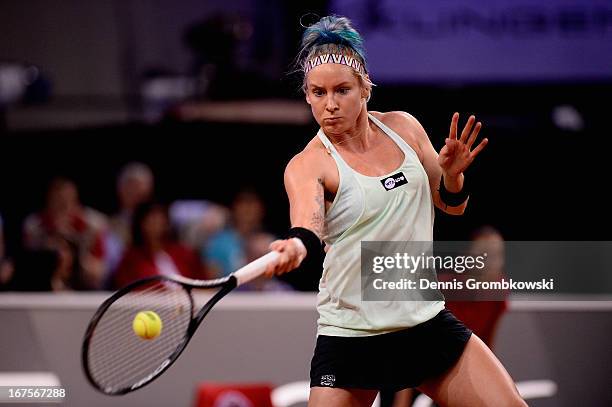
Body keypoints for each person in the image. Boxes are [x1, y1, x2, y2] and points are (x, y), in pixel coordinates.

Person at [264, 16, 526, 407]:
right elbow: (307, 226)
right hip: (352, 336)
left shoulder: (404, 128)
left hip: (426, 325)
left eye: (342, 90)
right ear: (307, 96)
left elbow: (450, 206)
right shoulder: (308, 164)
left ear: (365, 86)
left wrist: (452, 179)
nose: (330, 105)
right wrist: (296, 247)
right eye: (318, 93)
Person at [22, 177, 107, 290]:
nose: (63, 206)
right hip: (42, 290)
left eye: (67, 200)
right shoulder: (34, 226)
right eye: (58, 201)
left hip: (83, 290)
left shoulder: (92, 226)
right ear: (49, 201)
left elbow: (98, 274)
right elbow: (27, 269)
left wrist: (75, 246)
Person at [112, 201, 206, 289]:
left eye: (160, 219)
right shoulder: (131, 258)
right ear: (141, 223)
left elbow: (205, 285)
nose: (156, 224)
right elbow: (125, 291)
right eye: (151, 219)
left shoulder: (185, 253)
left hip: (192, 304)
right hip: (149, 305)